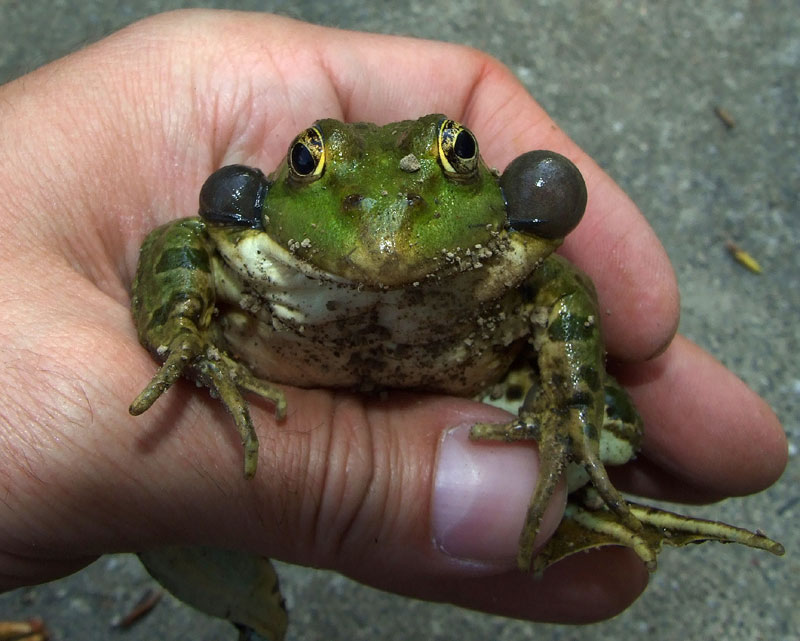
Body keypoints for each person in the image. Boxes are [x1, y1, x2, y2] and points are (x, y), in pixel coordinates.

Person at [0, 10, 786, 623]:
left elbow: (565, 296)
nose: (386, 220)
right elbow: (179, 237)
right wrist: (182, 333)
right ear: (284, 176)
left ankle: (594, 503)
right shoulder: (252, 247)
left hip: (480, 370)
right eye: (309, 160)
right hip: (279, 355)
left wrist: (569, 397)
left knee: (610, 429)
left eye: (456, 157)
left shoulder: (512, 257)